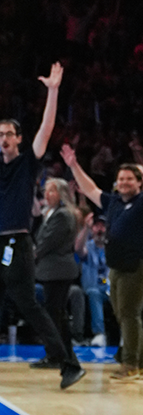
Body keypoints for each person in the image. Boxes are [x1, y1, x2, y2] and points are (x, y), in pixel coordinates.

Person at [0, 66, 84, 388]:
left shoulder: (28, 162)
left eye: (10, 134)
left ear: (19, 139)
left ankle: (68, 363)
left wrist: (53, 91)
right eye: (0, 135)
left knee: (29, 305)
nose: (4, 139)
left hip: (18, 245)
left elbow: (47, 128)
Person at [62, 146, 143, 380]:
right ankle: (136, 356)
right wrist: (74, 165)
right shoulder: (115, 201)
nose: (124, 182)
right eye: (121, 179)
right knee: (122, 313)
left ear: (139, 182)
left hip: (135, 266)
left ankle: (131, 364)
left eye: (130, 178)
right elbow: (89, 189)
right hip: (115, 268)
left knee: (129, 314)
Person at [33, 178, 81, 369]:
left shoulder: (62, 215)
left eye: (52, 191)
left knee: (55, 314)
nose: (47, 194)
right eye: (46, 190)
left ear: (61, 194)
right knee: (54, 313)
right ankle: (58, 353)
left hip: (58, 271)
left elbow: (46, 242)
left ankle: (60, 355)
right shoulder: (52, 214)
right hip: (52, 271)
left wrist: (32, 255)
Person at [75, 212, 109, 348]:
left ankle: (125, 335)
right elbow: (78, 249)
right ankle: (99, 334)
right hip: (94, 288)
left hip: (110, 289)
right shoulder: (88, 246)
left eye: (103, 226)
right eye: (96, 226)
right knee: (94, 293)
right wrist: (86, 228)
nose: (99, 229)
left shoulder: (112, 248)